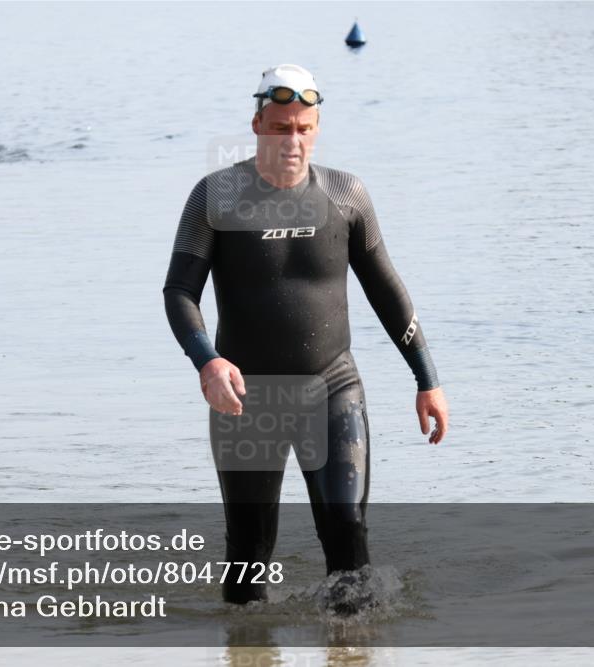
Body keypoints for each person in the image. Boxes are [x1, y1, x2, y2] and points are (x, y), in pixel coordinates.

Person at [162, 64, 449, 613]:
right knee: (247, 564)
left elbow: (388, 291)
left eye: (303, 128)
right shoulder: (216, 197)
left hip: (332, 387)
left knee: (348, 534)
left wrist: (427, 378)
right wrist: (208, 362)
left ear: (316, 129)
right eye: (280, 128)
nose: (292, 141)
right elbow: (179, 293)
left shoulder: (346, 195)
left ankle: (351, 648)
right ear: (257, 125)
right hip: (246, 398)